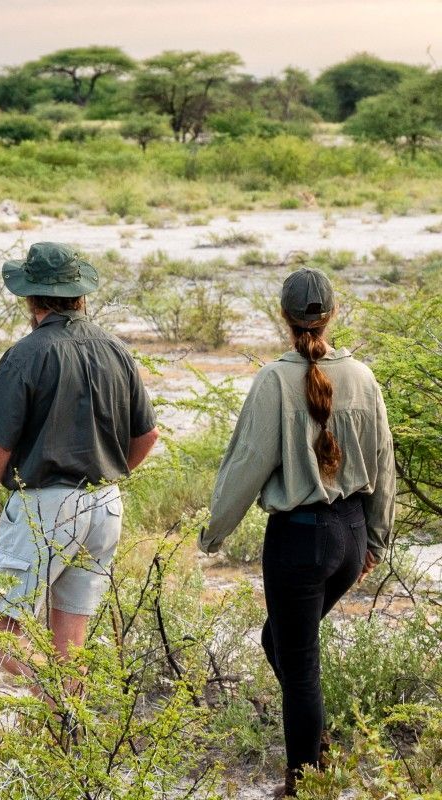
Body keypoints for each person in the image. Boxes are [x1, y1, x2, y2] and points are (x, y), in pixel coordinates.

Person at [200, 268, 395, 797]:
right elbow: (384, 462)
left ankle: (306, 781)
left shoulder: (273, 380)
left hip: (300, 539)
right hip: (350, 534)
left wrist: (212, 533)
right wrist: (376, 538)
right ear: (333, 312)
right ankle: (320, 749)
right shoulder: (363, 375)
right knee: (279, 641)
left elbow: (246, 465)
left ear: (283, 317)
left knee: (300, 663)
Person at [0, 242, 159, 690]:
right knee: (69, 642)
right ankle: (67, 738)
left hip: (46, 505)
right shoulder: (116, 349)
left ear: (31, 298)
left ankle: (51, 688)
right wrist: (107, 475)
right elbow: (148, 435)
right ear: (80, 294)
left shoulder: (27, 353)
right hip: (104, 505)